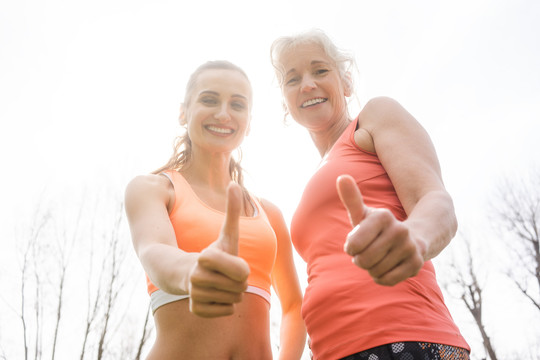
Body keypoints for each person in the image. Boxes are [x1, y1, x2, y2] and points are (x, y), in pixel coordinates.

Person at [270, 29, 470, 360]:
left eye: (320, 70)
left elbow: (435, 201)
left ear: (346, 83)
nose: (307, 84)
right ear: (286, 101)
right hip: (332, 350)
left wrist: (414, 237)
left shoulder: (373, 119)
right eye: (293, 79)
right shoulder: (315, 179)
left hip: (405, 339)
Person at [124, 60, 306, 360]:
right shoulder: (154, 189)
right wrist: (192, 270)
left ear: (249, 122)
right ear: (183, 112)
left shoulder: (269, 215)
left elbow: (293, 306)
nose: (223, 114)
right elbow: (154, 250)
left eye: (237, 104)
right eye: (209, 100)